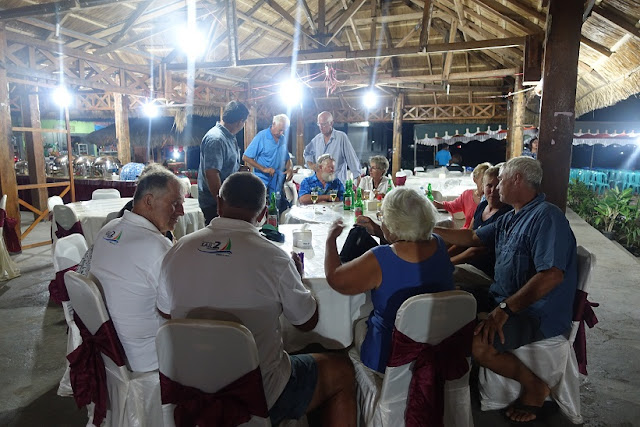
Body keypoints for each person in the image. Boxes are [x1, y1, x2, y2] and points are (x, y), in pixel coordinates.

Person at [157, 173, 357, 426]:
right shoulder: (275, 259)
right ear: (263, 214)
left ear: (219, 203)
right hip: (259, 394)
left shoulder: (178, 250)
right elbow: (306, 322)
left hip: (189, 390)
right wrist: (296, 279)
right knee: (342, 370)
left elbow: (166, 313)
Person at [433, 156, 578, 423]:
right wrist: (429, 230)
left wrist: (504, 310)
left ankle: (535, 387)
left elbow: (551, 275)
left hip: (535, 313)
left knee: (479, 345)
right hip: (500, 298)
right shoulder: (512, 216)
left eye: (500, 180)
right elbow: (474, 236)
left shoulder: (547, 217)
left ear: (517, 179)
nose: (496, 186)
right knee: (447, 297)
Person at [325, 187, 454, 373]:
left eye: (383, 217)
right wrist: (379, 231)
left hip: (390, 357)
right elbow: (407, 246)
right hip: (439, 349)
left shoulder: (380, 258)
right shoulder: (439, 244)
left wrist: (331, 239)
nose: (382, 220)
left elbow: (335, 279)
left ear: (394, 224)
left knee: (353, 324)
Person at [89, 168, 185, 372]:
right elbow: (174, 311)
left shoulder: (109, 229)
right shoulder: (157, 247)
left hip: (110, 348)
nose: (181, 212)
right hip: (148, 355)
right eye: (175, 203)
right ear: (148, 201)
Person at [450, 166, 512, 285]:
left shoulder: (506, 213)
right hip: (469, 265)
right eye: (489, 186)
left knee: (446, 272)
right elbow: (465, 239)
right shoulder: (482, 206)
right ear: (483, 187)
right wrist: (442, 256)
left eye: (497, 186)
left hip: (487, 273)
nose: (493, 191)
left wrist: (446, 263)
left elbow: (475, 251)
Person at [198, 100, 249, 224]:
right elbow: (212, 174)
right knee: (220, 235)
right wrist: (222, 205)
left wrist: (238, 168)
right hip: (215, 204)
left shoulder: (229, 137)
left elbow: (225, 165)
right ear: (240, 121)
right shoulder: (216, 139)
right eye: (244, 122)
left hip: (228, 200)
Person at [242, 114, 293, 203]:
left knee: (278, 206)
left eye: (283, 130)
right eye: (280, 130)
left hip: (276, 181)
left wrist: (290, 168)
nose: (281, 133)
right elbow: (246, 157)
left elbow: (287, 158)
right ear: (273, 124)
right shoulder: (261, 136)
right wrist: (264, 169)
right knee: (259, 206)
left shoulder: (282, 139)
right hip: (261, 180)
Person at [304, 111, 361, 185]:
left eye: (324, 124)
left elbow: (351, 157)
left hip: (337, 184)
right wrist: (311, 165)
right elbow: (307, 152)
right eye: (319, 124)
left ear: (331, 123)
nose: (321, 127)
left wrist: (357, 175)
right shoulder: (316, 139)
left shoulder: (341, 137)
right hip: (320, 184)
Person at [433, 162, 491, 229]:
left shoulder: (492, 198)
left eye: (489, 181)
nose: (486, 183)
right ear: (475, 179)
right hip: (466, 232)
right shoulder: (467, 194)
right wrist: (436, 204)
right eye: (483, 180)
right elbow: (452, 206)